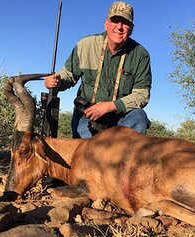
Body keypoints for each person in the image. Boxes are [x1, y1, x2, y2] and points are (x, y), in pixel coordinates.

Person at [44, 1, 152, 138]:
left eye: (125, 23)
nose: (119, 27)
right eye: (115, 20)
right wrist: (56, 81)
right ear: (106, 24)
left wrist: (110, 106)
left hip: (121, 117)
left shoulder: (141, 55)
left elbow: (142, 95)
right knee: (88, 155)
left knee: (139, 117)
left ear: (131, 29)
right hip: (88, 114)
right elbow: (68, 75)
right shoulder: (85, 45)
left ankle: (126, 156)